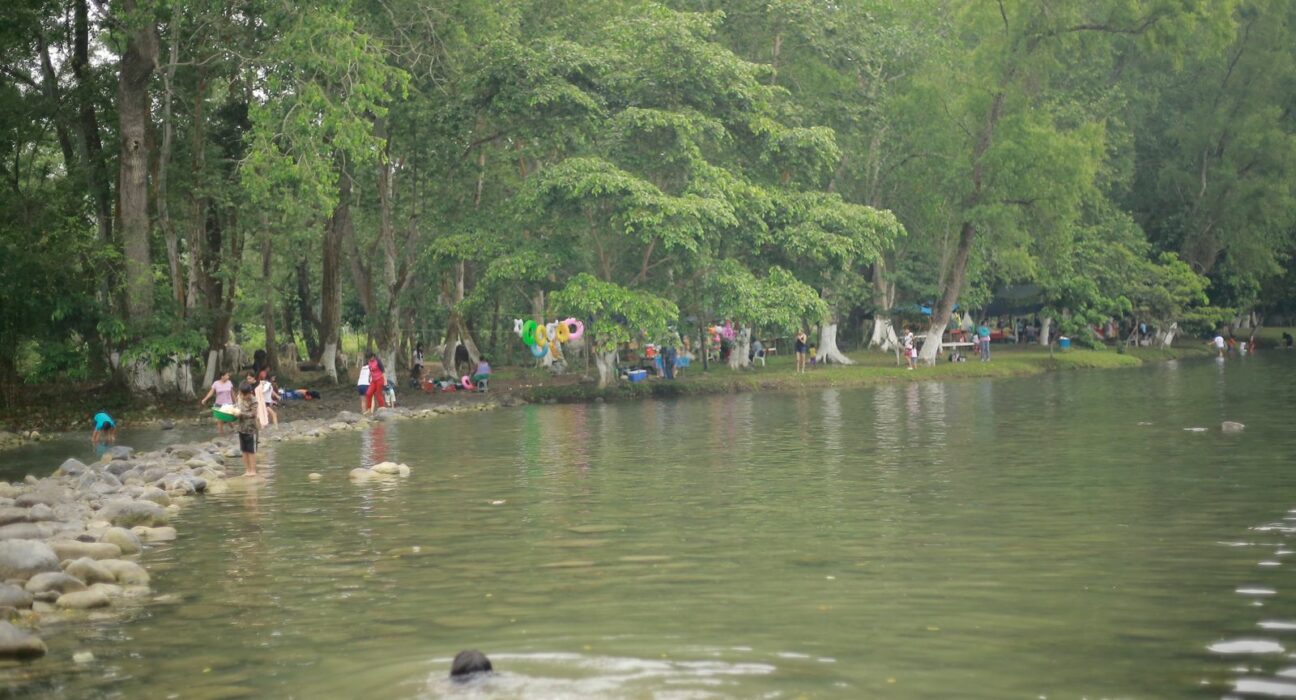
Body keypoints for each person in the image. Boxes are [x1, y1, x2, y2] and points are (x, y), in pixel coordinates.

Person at [236, 382, 259, 476]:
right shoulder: (239, 397)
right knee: (244, 450)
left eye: (244, 395)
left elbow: (253, 414)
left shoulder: (254, 401)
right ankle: (247, 470)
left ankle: (253, 471)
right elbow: (237, 408)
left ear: (250, 393)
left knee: (251, 450)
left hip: (251, 429)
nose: (242, 396)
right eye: (241, 394)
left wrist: (241, 414)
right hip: (241, 427)